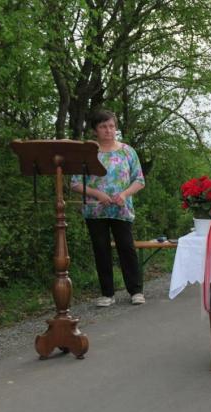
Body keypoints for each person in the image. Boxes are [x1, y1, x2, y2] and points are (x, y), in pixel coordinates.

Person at [70, 109, 147, 307]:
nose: (108, 130)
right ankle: (107, 293)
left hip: (121, 209)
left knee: (127, 248)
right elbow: (75, 183)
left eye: (111, 126)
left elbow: (139, 180)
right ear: (95, 129)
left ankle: (136, 291)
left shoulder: (127, 151)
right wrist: (97, 194)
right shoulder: (87, 153)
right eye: (103, 126)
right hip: (95, 211)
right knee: (101, 250)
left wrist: (124, 194)